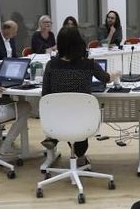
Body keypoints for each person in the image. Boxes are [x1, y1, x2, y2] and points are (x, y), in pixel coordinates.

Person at [39, 27, 118, 167]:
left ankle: (53, 138)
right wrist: (117, 73)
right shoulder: (88, 64)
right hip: (83, 120)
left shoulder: (51, 65)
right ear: (79, 43)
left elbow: (46, 94)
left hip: (57, 120)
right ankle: (80, 156)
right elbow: (106, 78)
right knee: (78, 128)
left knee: (66, 115)